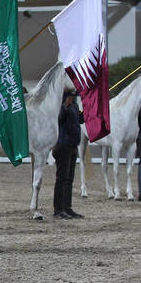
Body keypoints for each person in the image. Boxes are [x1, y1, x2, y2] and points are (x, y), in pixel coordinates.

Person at [52, 90, 84, 219]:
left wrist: (87, 108)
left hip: (73, 144)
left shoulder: (75, 106)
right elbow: (58, 119)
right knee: (62, 178)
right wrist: (65, 106)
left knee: (69, 179)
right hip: (62, 144)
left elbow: (81, 120)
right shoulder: (60, 105)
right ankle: (58, 209)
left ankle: (67, 207)